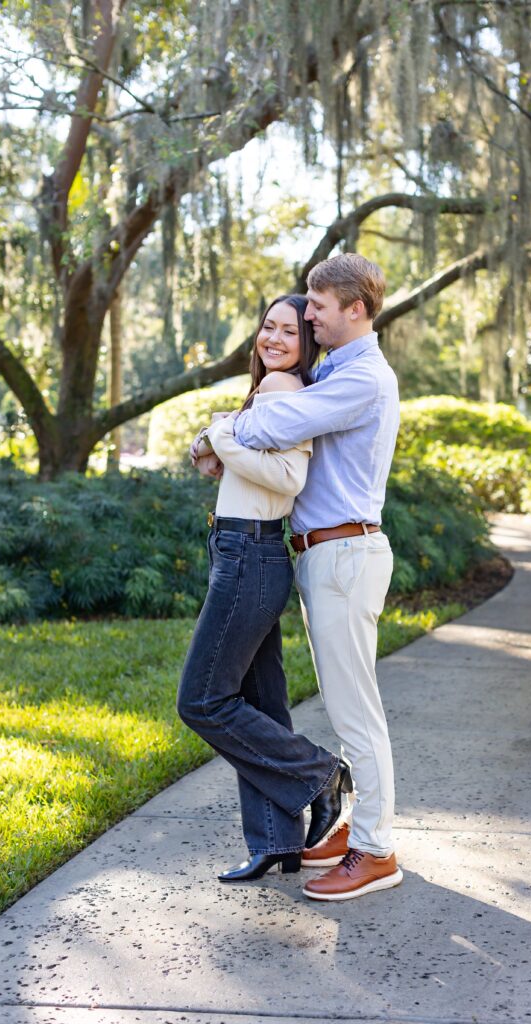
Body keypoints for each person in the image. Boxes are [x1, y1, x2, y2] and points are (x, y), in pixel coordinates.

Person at [212, 253, 403, 902]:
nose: (308, 315)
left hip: (345, 554)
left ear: (356, 309)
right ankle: (357, 835)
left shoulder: (363, 379)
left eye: (317, 307)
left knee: (356, 715)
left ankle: (375, 852)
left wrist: (221, 430)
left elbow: (277, 423)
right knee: (349, 707)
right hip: (326, 554)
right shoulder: (336, 371)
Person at [176, 294, 353, 884]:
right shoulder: (270, 391)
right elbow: (229, 448)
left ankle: (321, 774)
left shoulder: (283, 391)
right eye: (267, 326)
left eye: (289, 331)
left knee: (202, 700)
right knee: (261, 706)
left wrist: (222, 440)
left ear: (308, 345)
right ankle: (277, 841)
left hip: (249, 554)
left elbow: (286, 478)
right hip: (247, 550)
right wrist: (214, 438)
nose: (273, 338)